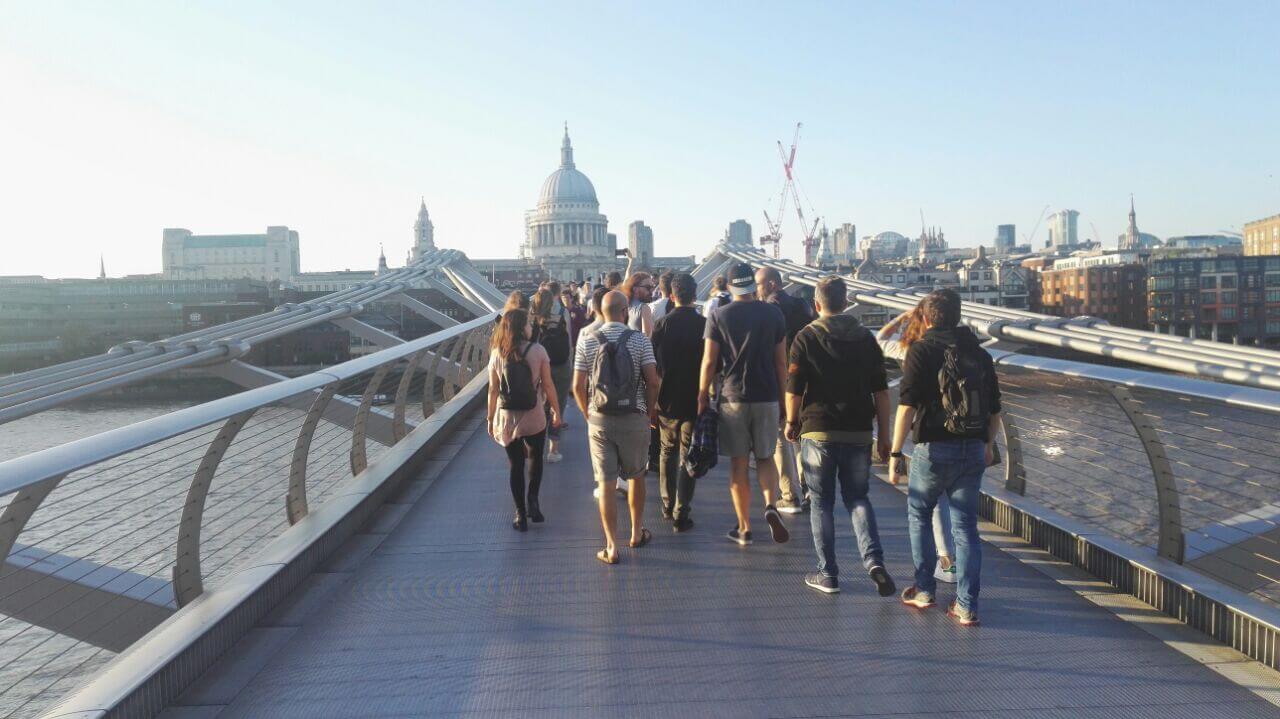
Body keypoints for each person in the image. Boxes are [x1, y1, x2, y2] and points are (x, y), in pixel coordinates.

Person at [889, 288, 1003, 626]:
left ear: (926, 319)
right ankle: (966, 606)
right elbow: (995, 409)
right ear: (958, 316)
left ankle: (924, 590)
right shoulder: (979, 354)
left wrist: (895, 453)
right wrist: (987, 444)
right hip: (972, 449)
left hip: (932, 449)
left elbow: (906, 407)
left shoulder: (920, 351)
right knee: (966, 528)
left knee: (920, 515)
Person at [785, 276, 895, 596]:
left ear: (816, 304)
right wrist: (884, 436)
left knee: (821, 502)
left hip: (818, 429)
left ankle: (828, 573)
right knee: (858, 498)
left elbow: (794, 389)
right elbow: (881, 392)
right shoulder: (866, 338)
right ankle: (873, 561)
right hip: (859, 431)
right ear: (846, 303)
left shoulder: (806, 337)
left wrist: (791, 421)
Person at [697, 262, 790, 546]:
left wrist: (702, 395)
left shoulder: (718, 315)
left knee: (738, 463)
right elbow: (781, 362)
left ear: (729, 286)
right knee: (765, 457)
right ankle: (770, 505)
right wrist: (784, 400)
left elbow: (710, 361)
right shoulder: (774, 313)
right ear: (753, 284)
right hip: (767, 395)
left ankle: (745, 527)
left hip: (732, 397)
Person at [573, 290, 660, 564]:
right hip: (634, 416)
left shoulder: (587, 340)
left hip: (599, 418)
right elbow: (653, 381)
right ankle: (636, 533)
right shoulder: (640, 340)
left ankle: (611, 547)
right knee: (637, 476)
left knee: (606, 483)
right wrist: (648, 412)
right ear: (625, 312)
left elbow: (577, 386)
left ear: (600, 311)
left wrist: (588, 414)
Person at [879, 306, 957, 583]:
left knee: (933, 502)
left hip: (929, 431)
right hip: (965, 433)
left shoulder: (910, 349)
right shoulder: (963, 347)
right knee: (961, 506)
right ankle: (961, 569)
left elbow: (880, 338)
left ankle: (946, 563)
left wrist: (902, 317)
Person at [486, 309, 562, 531]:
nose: (531, 327)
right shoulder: (538, 350)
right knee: (536, 458)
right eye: (528, 323)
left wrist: (490, 418)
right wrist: (556, 410)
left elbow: (493, 390)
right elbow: (548, 384)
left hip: (507, 417)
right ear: (522, 328)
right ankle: (533, 501)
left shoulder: (497, 354)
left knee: (515, 465)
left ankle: (520, 514)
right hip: (534, 414)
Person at [757, 267, 815, 515]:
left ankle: (789, 495)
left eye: (759, 284)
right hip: (808, 378)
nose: (756, 289)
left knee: (782, 435)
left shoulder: (769, 311)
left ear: (771, 284)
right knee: (802, 436)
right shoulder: (803, 305)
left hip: (782, 379)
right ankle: (810, 489)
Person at [651, 272, 704, 532]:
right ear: (695, 295)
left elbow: (652, 366)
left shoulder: (661, 324)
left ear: (672, 296)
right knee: (687, 454)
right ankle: (682, 510)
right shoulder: (705, 324)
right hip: (694, 399)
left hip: (667, 399)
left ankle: (666, 503)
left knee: (666, 451)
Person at [530, 288, 572, 463]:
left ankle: (537, 445)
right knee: (558, 404)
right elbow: (569, 340)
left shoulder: (534, 318)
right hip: (561, 364)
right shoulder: (563, 313)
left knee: (540, 405)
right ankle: (553, 450)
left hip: (540, 365)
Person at [621, 271, 656, 336]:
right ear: (635, 289)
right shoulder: (644, 308)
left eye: (653, 287)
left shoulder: (625, 305)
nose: (652, 291)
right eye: (648, 287)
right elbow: (646, 338)